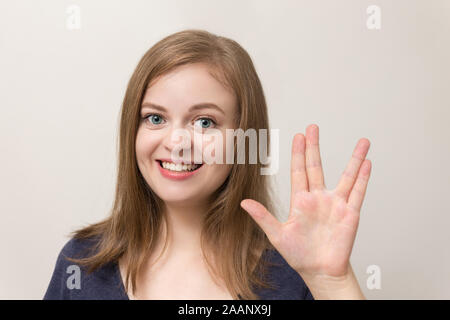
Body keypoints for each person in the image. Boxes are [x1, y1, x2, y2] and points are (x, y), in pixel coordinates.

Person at [43, 29, 371, 300]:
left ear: (245, 138)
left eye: (205, 122)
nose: (176, 142)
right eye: (155, 118)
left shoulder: (294, 275)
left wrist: (332, 283)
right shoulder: (82, 266)